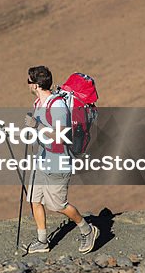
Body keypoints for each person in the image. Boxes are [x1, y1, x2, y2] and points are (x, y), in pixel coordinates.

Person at [24, 66, 99, 254]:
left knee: (58, 205)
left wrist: (37, 125)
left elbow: (60, 136)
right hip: (41, 159)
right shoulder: (38, 103)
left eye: (28, 81)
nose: (27, 84)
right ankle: (42, 241)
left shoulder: (57, 105)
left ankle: (87, 230)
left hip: (58, 161)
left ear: (35, 84)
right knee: (35, 199)